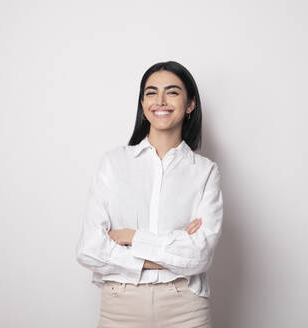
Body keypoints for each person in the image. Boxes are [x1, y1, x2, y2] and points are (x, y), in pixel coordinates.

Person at [76, 60, 223, 328]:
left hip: (185, 307)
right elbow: (90, 249)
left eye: (173, 92)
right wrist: (176, 248)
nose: (161, 100)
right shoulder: (113, 163)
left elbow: (200, 256)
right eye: (151, 92)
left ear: (190, 104)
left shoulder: (204, 172)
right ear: (143, 104)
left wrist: (132, 237)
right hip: (120, 305)